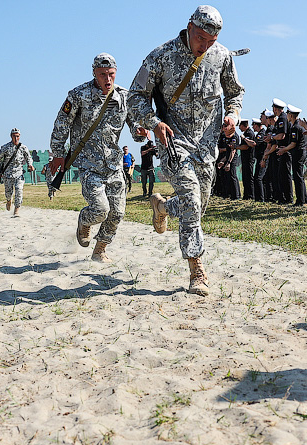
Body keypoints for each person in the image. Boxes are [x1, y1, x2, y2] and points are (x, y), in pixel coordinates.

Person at [128, 5, 244, 294]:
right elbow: (136, 96)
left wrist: (233, 116)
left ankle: (163, 207)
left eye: (211, 41)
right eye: (201, 38)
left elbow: (235, 92)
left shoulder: (222, 56)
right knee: (191, 200)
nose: (205, 46)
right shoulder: (161, 56)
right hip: (173, 140)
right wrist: (154, 123)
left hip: (206, 145)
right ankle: (197, 271)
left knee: (198, 205)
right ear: (190, 27)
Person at [50, 53, 148, 262]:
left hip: (113, 164)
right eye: (102, 74)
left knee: (117, 212)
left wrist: (140, 132)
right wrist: (57, 153)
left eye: (111, 74)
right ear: (94, 73)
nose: (107, 78)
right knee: (100, 209)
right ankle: (84, 221)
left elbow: (135, 126)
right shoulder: (79, 95)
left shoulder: (124, 97)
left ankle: (100, 250)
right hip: (88, 164)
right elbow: (61, 124)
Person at [0, 128, 35, 216]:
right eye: (14, 136)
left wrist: (30, 165)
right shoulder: (5, 147)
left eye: (17, 136)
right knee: (8, 193)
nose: (16, 138)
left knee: (19, 190)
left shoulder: (23, 147)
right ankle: (9, 201)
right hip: (7, 174)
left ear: (19, 136)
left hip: (19, 173)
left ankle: (16, 209)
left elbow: (28, 157)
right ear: (11, 136)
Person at [282, 104, 307, 206]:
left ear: (291, 115)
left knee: (297, 177)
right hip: (300, 152)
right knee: (299, 176)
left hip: (298, 153)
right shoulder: (298, 126)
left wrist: (284, 149)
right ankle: (304, 199)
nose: (287, 116)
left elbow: (293, 144)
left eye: (288, 114)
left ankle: (300, 200)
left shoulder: (295, 128)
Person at [216, 125, 240, 199]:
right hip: (227, 158)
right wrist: (223, 161)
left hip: (232, 159)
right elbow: (228, 152)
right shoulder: (228, 136)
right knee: (227, 176)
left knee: (233, 176)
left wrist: (228, 162)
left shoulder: (234, 136)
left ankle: (236, 196)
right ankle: (229, 194)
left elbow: (233, 151)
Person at [236, 119, 255, 200]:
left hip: (249, 158)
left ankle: (251, 195)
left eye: (240, 126)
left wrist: (236, 147)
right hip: (245, 159)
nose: (239, 128)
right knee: (245, 177)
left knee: (249, 177)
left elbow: (246, 147)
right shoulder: (245, 133)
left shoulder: (249, 133)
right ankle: (246, 195)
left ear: (243, 125)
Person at [251, 116, 267, 201]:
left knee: (259, 178)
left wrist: (244, 139)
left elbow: (255, 143)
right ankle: (258, 197)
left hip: (262, 158)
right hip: (259, 158)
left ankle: (261, 198)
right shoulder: (259, 134)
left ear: (256, 125)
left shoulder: (261, 134)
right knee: (257, 178)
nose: (253, 127)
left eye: (253, 125)